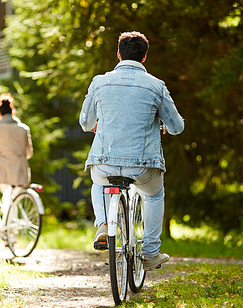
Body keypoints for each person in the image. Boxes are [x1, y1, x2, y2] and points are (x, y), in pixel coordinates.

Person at [79, 31, 185, 271]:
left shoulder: (99, 82)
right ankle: (149, 253)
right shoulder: (156, 86)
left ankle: (104, 225)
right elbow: (176, 127)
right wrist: (164, 126)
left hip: (104, 163)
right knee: (155, 196)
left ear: (118, 54)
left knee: (98, 182)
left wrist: (97, 125)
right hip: (143, 165)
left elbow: (85, 123)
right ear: (144, 57)